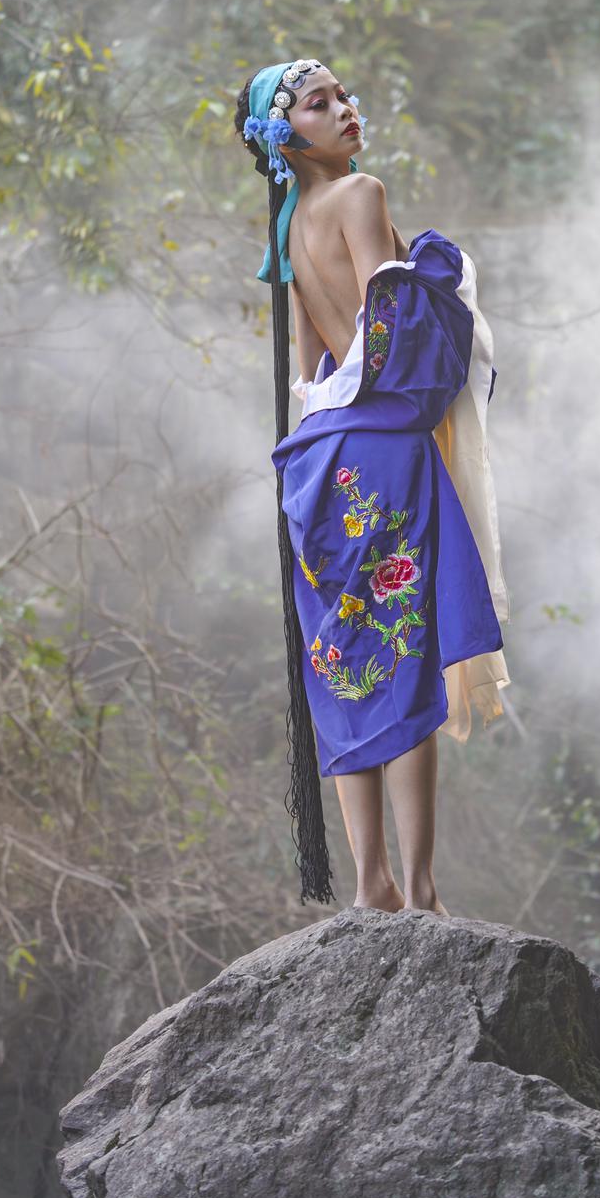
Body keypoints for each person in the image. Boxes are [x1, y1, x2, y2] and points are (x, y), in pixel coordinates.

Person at [234, 58, 511, 913]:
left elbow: (310, 371)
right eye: (319, 104)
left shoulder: (288, 227)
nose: (345, 109)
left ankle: (369, 883)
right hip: (382, 452)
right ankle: (420, 887)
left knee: (347, 659)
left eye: (343, 96)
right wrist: (440, 278)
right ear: (287, 138)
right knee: (405, 650)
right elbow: (390, 337)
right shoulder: (361, 195)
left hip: (315, 461)